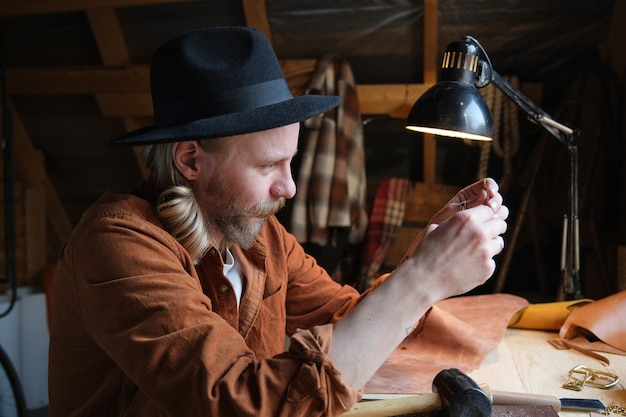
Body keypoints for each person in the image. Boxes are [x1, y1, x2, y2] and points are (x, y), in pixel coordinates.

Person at [48, 26, 508, 417]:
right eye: (269, 166)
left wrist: (424, 252)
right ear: (191, 159)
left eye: (291, 163)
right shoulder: (118, 244)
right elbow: (243, 402)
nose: (287, 188)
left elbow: (350, 321)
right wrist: (422, 279)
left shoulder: (257, 232)